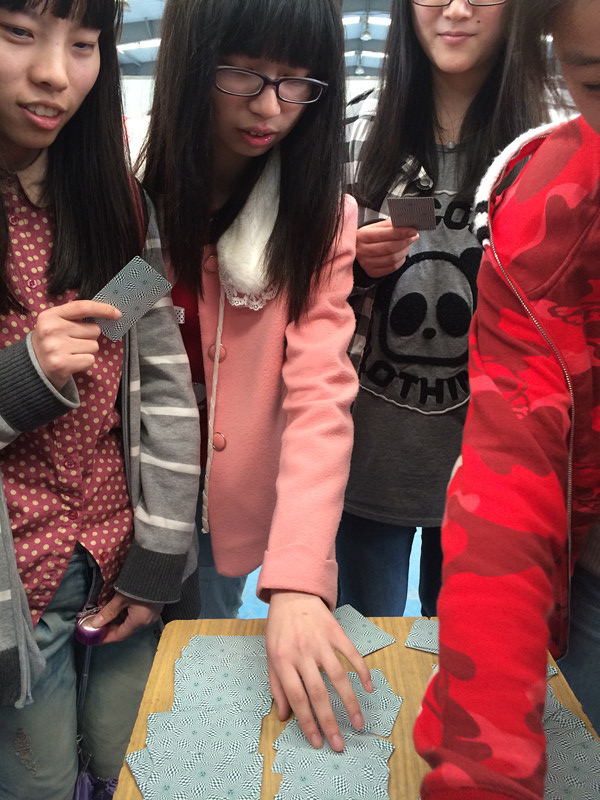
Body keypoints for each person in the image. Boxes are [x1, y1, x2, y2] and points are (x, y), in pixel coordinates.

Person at [140, 0, 373, 753]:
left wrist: (300, 576)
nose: (271, 107)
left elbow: (321, 392)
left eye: (297, 82)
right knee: (122, 681)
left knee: (199, 669)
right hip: (130, 485)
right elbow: (107, 335)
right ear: (190, 64)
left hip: (227, 509)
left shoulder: (319, 217)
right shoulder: (132, 193)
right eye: (242, 74)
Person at [0, 1, 201, 797]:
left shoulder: (121, 206)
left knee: (136, 763)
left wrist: (159, 557)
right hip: (17, 591)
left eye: (83, 44)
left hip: (117, 558)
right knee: (41, 781)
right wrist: (23, 376)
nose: (55, 73)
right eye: (18, 33)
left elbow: (163, 387)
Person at [414, 0, 600, 796]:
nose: (456, 9)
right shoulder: (538, 212)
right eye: (597, 82)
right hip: (415, 439)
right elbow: (506, 487)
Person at [337, 0, 552, 618]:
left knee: (466, 639)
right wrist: (349, 263)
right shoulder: (353, 132)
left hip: (490, 462)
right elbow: (298, 287)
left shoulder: (546, 146)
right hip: (366, 453)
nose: (456, 9)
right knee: (362, 640)